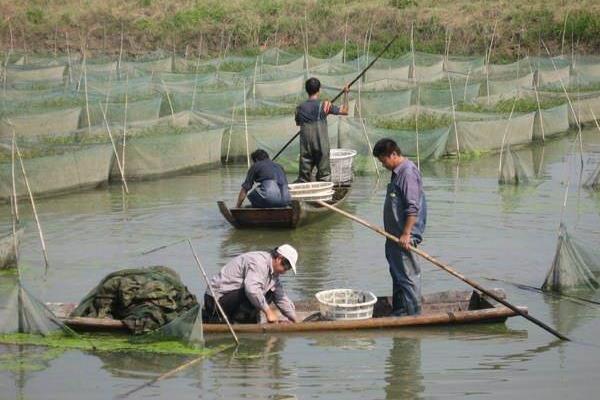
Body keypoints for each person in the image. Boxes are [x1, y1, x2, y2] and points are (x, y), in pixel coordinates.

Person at [372, 138, 427, 316]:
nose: (383, 165)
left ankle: (413, 315)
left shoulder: (407, 173)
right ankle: (400, 311)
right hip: (394, 237)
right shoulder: (397, 172)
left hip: (403, 238)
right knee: (398, 276)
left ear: (393, 154)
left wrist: (406, 233)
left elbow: (413, 208)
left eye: (383, 160)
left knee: (408, 277)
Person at [203, 244, 298, 324]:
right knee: (253, 291)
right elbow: (252, 290)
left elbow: (280, 297)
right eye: (286, 266)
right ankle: (239, 321)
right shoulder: (259, 263)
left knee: (270, 292)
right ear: (279, 259)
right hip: (216, 300)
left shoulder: (274, 274)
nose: (286, 271)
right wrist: (268, 312)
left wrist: (294, 319)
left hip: (232, 298)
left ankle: (247, 320)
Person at [295, 77, 349, 182]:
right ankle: (323, 194)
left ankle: (303, 196)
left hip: (306, 147)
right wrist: (346, 93)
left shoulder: (299, 108)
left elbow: (298, 123)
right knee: (324, 176)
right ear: (319, 90)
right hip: (321, 146)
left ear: (307, 90)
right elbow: (345, 111)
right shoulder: (325, 105)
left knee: (303, 178)